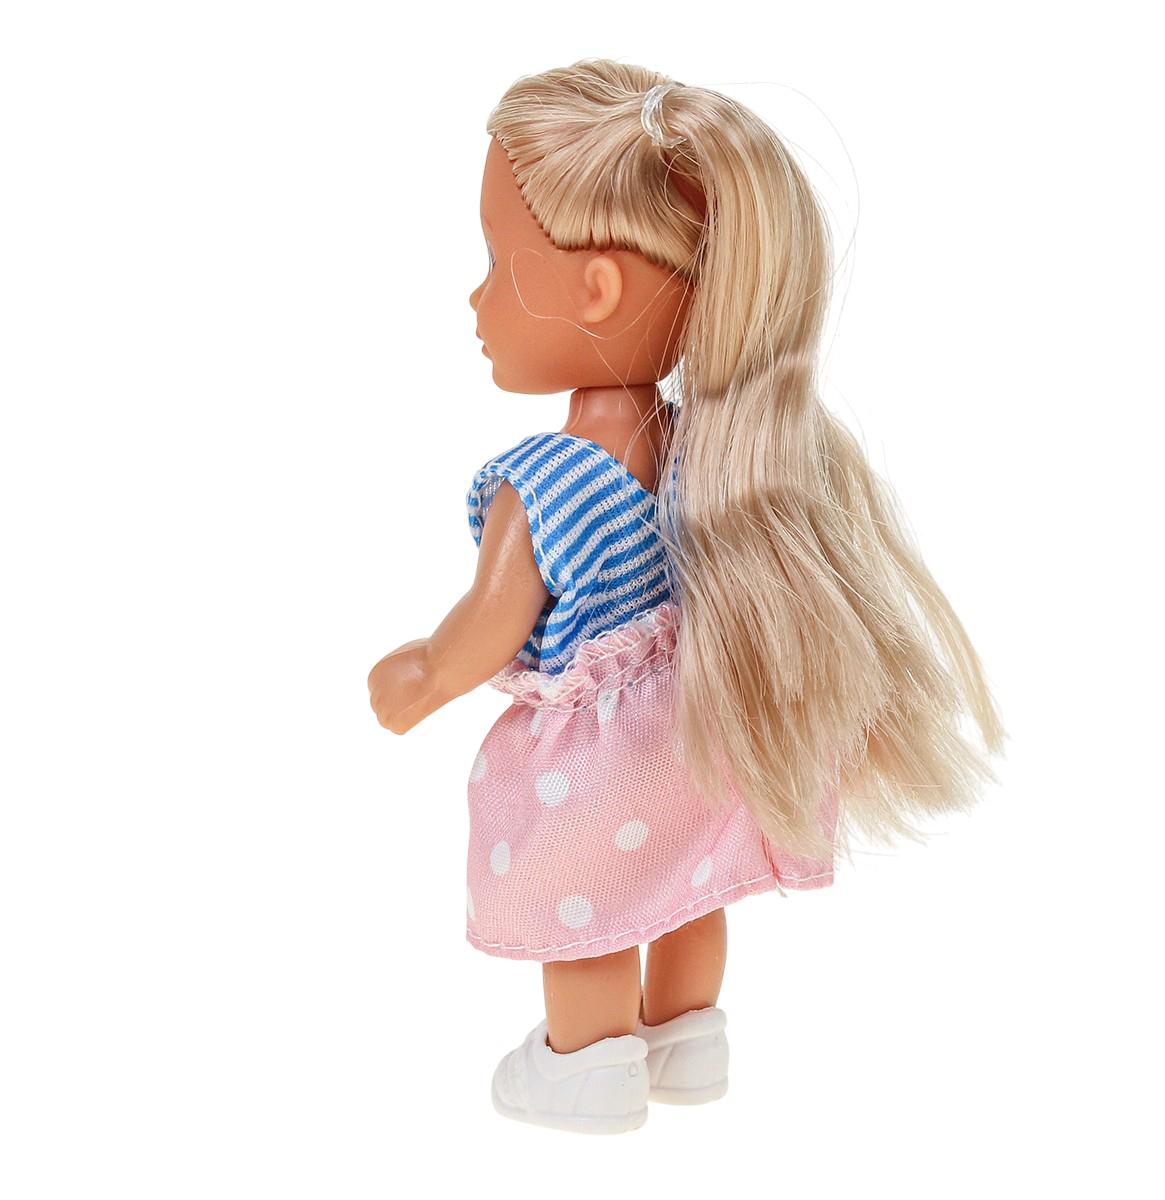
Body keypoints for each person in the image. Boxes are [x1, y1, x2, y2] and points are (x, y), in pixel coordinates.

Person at [368, 59, 1003, 1134]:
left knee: (587, 909)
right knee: (683, 885)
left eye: (497, 262)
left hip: (601, 764)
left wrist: (423, 675)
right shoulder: (717, 450)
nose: (477, 297)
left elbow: (491, 622)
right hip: (696, 734)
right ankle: (686, 1037)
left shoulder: (545, 479)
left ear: (597, 290)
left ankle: (585, 1066)